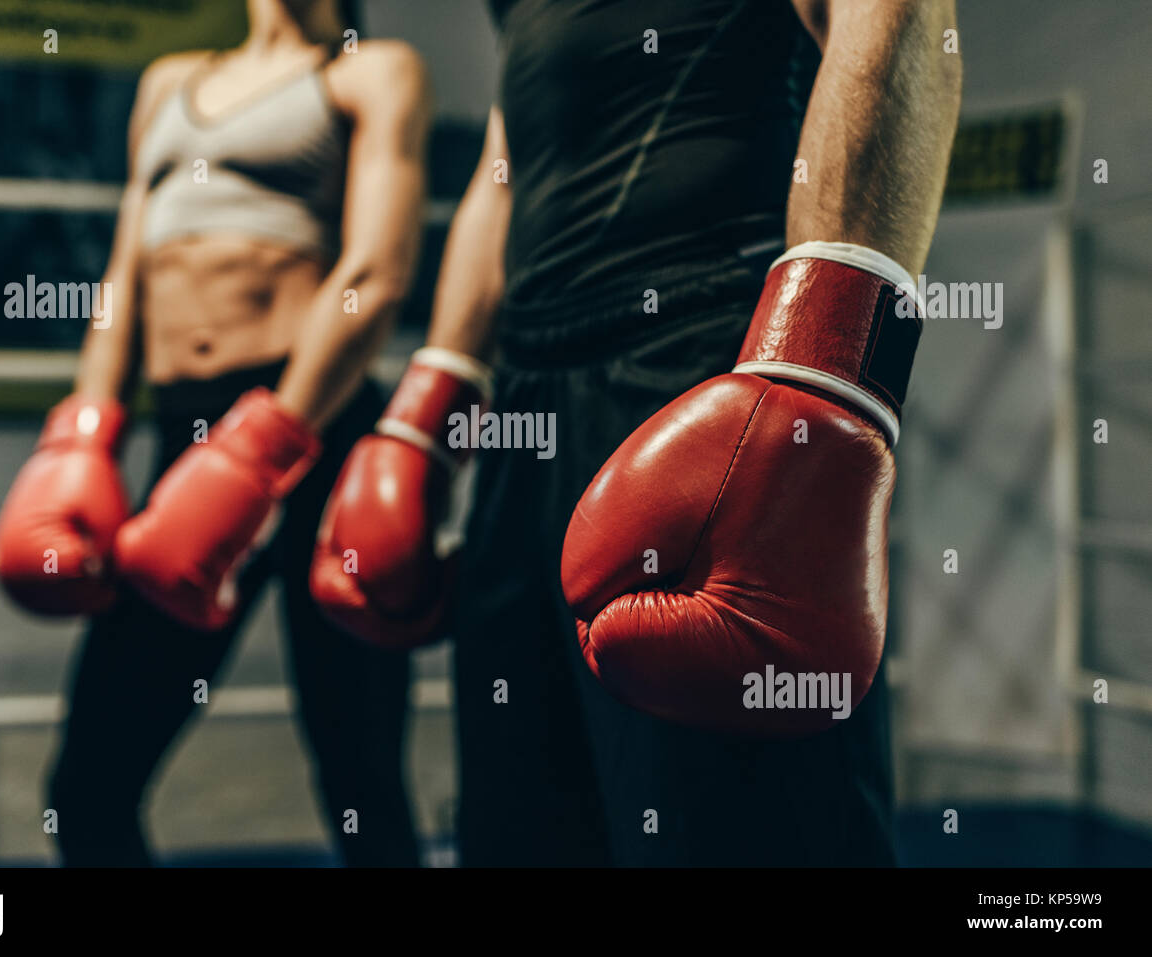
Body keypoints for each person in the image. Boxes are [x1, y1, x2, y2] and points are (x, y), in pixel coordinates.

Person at [311, 0, 962, 865]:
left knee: (745, 836)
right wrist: (430, 409)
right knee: (519, 831)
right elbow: (506, 165)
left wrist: (819, 378)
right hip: (528, 394)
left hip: (705, 361)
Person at [0, 0, 431, 866]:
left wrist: (266, 442)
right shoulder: (171, 82)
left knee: (361, 779)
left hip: (314, 429)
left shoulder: (369, 72)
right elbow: (125, 275)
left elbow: (374, 276)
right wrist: (83, 431)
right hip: (182, 431)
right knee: (88, 786)